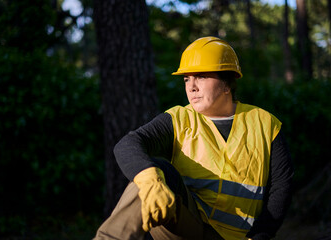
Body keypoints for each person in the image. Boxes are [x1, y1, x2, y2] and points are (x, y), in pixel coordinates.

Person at [93, 36, 294, 240]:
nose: (191, 87)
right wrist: (150, 179)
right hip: (187, 229)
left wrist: (261, 235)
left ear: (227, 83)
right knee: (153, 172)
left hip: (239, 236)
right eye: (187, 79)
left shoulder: (264, 123)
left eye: (201, 76)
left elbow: (281, 187)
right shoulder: (179, 118)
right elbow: (128, 144)